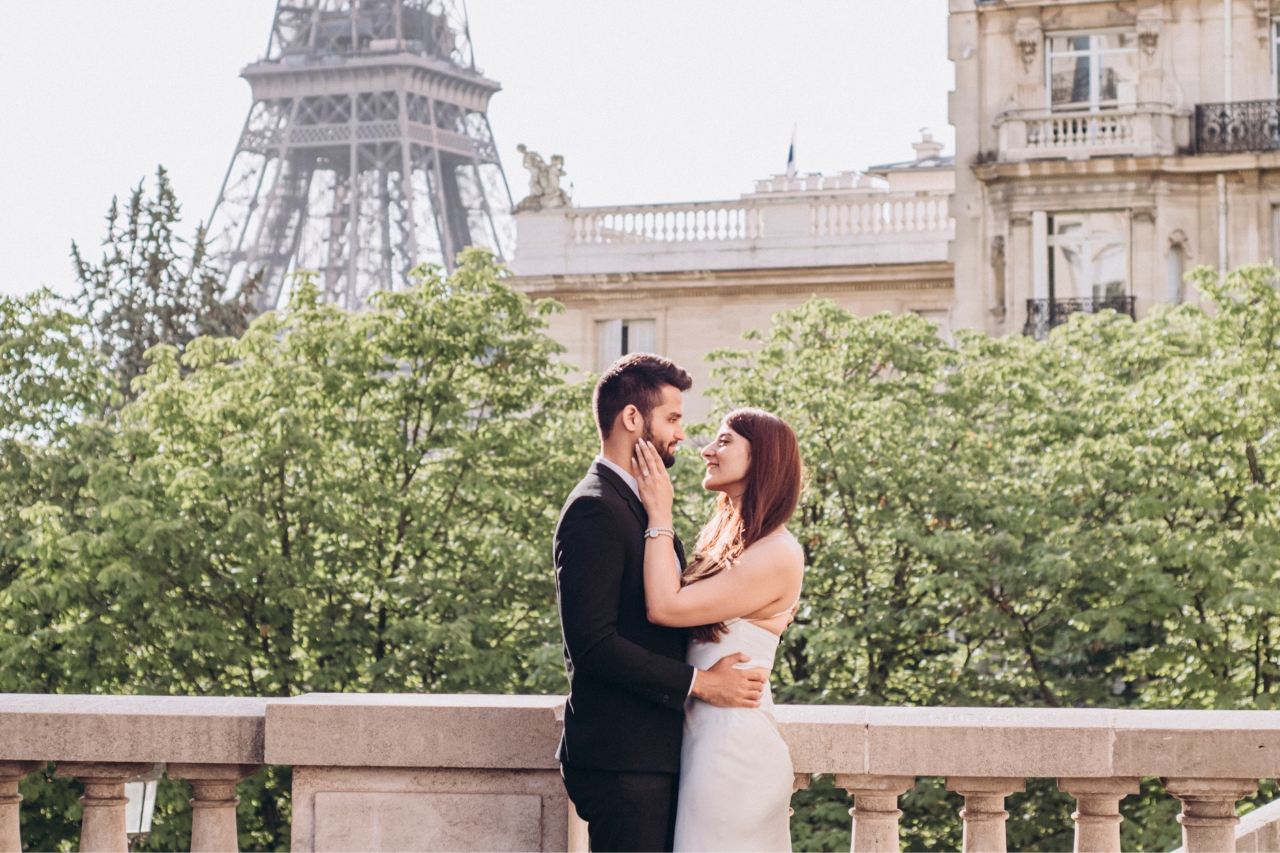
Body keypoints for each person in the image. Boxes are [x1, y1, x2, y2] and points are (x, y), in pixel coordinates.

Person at [554, 355, 771, 853]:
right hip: (624, 761)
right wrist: (703, 683)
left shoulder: (642, 502)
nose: (681, 434)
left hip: (652, 756)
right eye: (672, 418)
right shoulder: (595, 507)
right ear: (633, 418)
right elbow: (593, 645)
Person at [633, 407, 805, 852]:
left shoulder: (778, 552)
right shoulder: (731, 542)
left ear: (763, 459)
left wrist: (659, 512)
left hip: (733, 753)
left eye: (725, 441)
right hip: (706, 738)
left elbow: (666, 607)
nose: (706, 450)